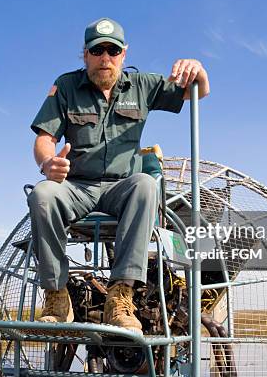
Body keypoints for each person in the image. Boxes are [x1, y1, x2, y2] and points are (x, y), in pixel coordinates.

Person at [28, 17, 210, 334]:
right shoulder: (67, 86)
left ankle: (120, 297)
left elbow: (199, 91)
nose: (105, 58)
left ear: (123, 54)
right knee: (42, 194)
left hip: (121, 188)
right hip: (77, 187)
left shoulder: (142, 86)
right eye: (97, 50)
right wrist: (47, 163)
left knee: (145, 184)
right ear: (85, 54)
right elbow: (44, 139)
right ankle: (57, 297)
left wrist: (199, 70)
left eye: (112, 50)